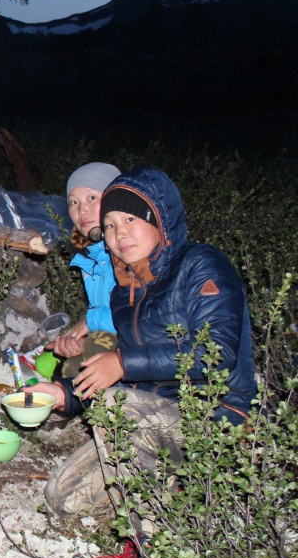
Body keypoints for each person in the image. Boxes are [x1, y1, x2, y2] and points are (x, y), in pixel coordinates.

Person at [27, 168, 256, 536]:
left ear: (160, 220)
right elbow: (123, 376)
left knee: (115, 406)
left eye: (131, 220)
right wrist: (64, 394)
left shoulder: (201, 264)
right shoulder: (124, 292)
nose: (120, 234)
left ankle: (155, 536)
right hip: (156, 417)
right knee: (63, 497)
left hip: (216, 416)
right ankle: (175, 483)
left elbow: (216, 353)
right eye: (111, 225)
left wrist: (122, 363)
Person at [51, 162, 122, 365]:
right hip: (115, 342)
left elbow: (139, 318)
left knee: (77, 367)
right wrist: (78, 342)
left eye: (92, 198)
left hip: (141, 350)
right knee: (58, 364)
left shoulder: (129, 251)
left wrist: (90, 322)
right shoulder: (91, 255)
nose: (82, 210)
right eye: (73, 202)